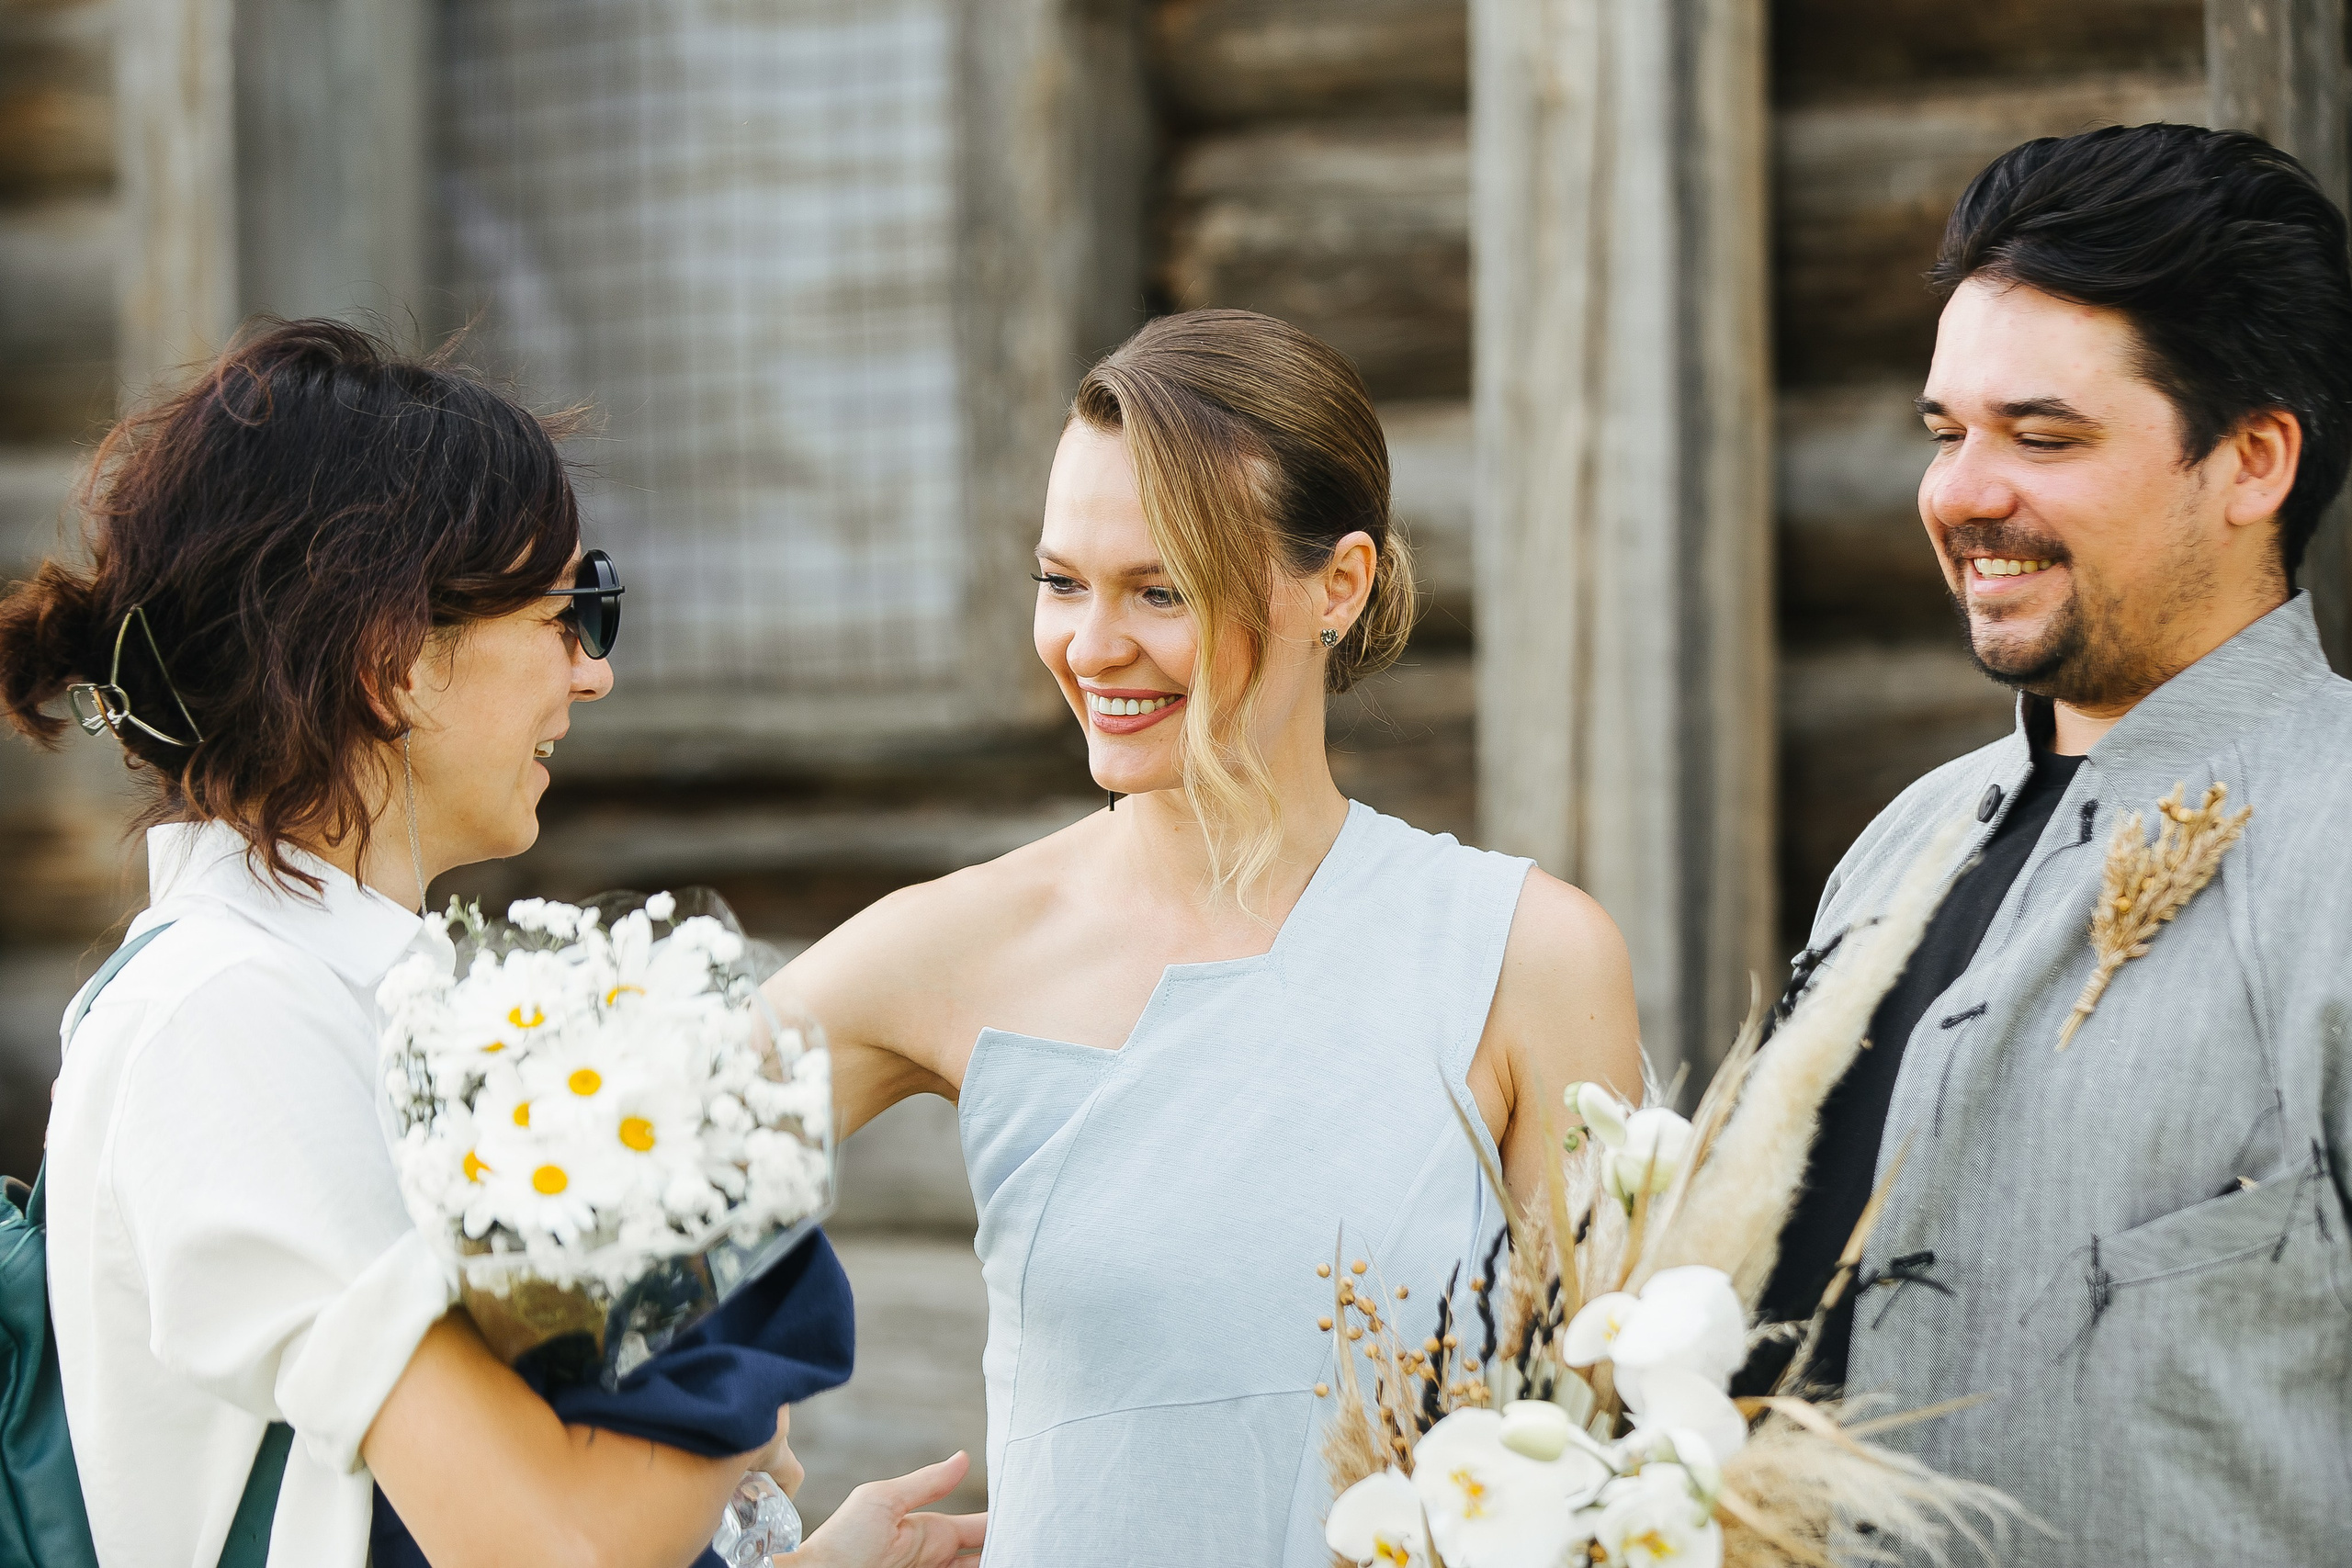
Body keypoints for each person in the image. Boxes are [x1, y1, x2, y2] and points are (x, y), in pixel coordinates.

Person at [0, 319, 985, 1568]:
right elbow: (533, 1544)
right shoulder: (224, 1014)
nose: (593, 676)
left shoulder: (339, 992)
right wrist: (724, 1297)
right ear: (394, 659)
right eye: (576, 612)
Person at [775, 309, 1645, 1565]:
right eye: (1062, 582)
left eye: (1161, 591)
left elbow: (1596, 1457)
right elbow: (599, 1205)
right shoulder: (949, 948)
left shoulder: (1527, 957)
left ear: (1336, 586)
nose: (1093, 646)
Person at [1747, 126, 2352, 1560]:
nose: (1961, 492)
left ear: (2254, 460)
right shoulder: (1896, 854)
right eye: (1946, 432)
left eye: (2043, 435)